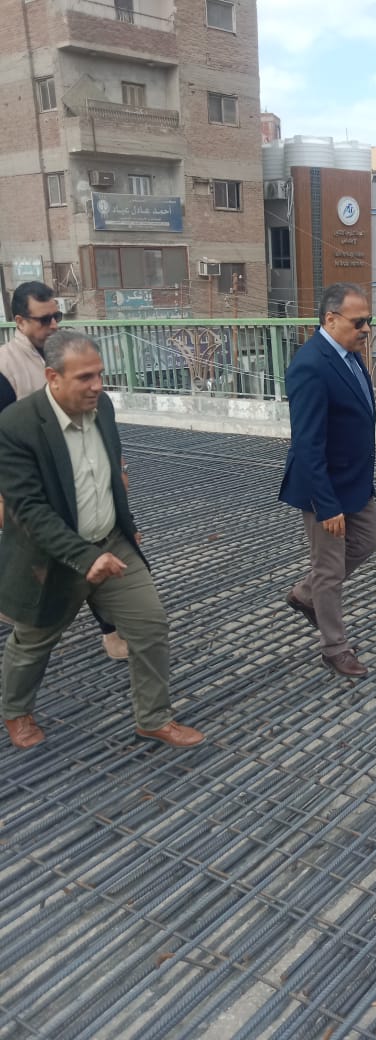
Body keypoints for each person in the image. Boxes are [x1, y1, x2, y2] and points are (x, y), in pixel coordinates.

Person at [0, 328, 205, 749]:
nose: (97, 385)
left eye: (100, 374)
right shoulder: (17, 425)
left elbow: (109, 474)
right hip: (52, 557)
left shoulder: (103, 407)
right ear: (53, 377)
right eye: (85, 377)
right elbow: (30, 510)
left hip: (111, 542)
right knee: (34, 640)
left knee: (150, 625)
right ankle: (16, 710)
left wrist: (127, 524)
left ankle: (152, 718)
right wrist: (83, 556)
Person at [0, 281, 129, 661]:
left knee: (94, 546)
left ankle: (111, 631)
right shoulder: (5, 367)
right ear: (20, 321)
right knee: (42, 562)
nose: (54, 324)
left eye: (57, 316)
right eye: (44, 319)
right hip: (36, 483)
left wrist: (117, 469)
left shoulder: (68, 355)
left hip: (80, 473)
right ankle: (27, 640)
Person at [279, 283, 376, 677]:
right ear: (331, 319)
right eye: (359, 322)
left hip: (356, 481)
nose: (366, 329)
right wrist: (326, 504)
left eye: (369, 321)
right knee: (330, 569)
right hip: (326, 487)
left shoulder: (350, 356)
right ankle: (334, 647)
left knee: (367, 543)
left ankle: (306, 594)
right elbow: (307, 444)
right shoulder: (311, 365)